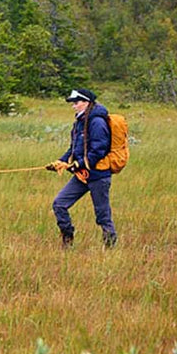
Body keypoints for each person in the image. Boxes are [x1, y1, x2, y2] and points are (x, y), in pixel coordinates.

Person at [46, 87, 118, 249]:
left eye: (76, 102)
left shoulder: (97, 122)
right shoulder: (80, 121)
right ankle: (67, 238)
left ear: (87, 103)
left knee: (102, 214)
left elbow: (99, 149)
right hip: (81, 175)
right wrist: (61, 161)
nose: (73, 106)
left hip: (98, 175)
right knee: (59, 204)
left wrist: (78, 164)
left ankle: (110, 247)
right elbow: (74, 148)